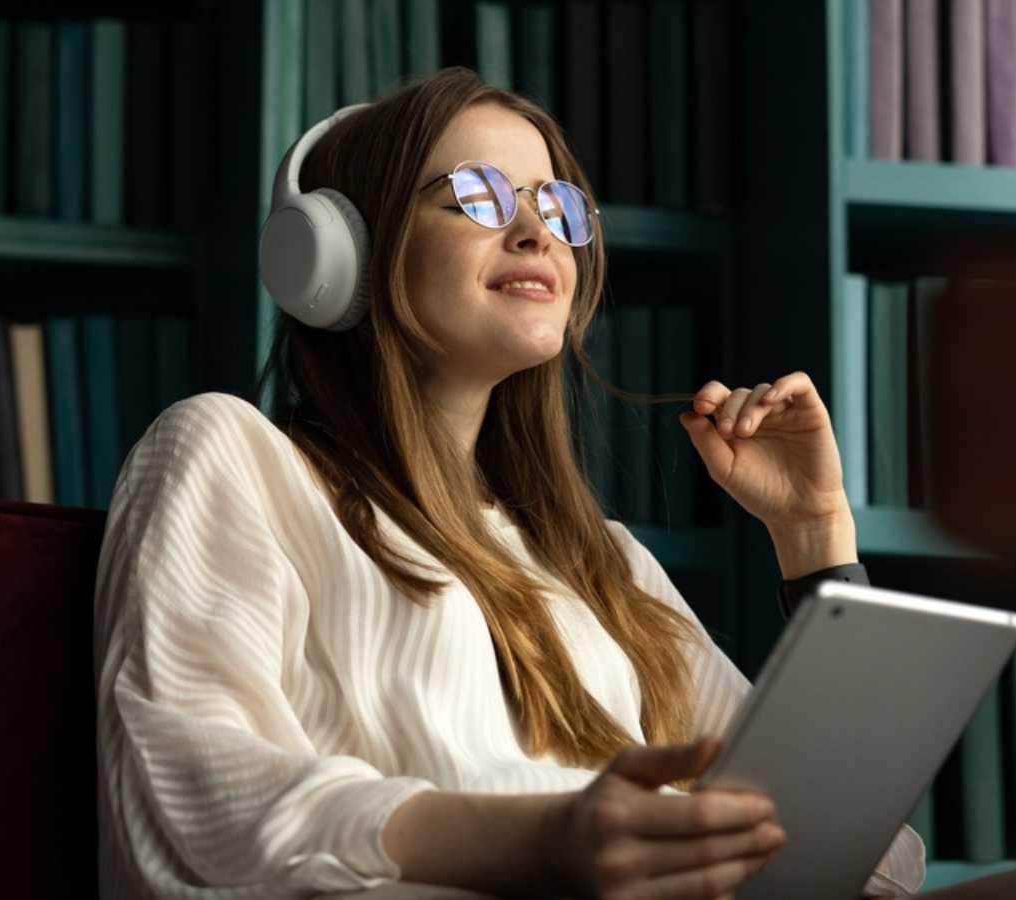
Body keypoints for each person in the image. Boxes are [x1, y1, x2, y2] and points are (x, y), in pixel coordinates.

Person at [92, 67, 925, 899]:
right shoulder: (234, 457)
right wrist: (547, 842)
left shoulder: (602, 562)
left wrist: (815, 537)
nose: (537, 231)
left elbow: (869, 857)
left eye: (557, 204)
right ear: (342, 250)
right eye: (478, 197)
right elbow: (191, 804)